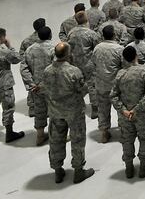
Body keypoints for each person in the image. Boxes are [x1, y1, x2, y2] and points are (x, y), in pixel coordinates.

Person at [43, 42, 95, 184]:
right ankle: (78, 171)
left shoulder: (47, 70)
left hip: (55, 111)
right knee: (77, 140)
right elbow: (83, 90)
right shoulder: (73, 71)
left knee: (56, 140)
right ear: (68, 54)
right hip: (74, 111)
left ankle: (58, 170)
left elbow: (45, 89)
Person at [110, 45, 145, 179]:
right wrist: (137, 109)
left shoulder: (120, 74)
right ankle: (143, 168)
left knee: (127, 140)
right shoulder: (144, 72)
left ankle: (129, 169)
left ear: (124, 58)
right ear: (136, 56)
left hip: (125, 116)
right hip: (142, 114)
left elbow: (113, 96)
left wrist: (124, 110)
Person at [0, 28, 26, 143]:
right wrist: (9, 46)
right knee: (8, 109)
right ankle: (9, 133)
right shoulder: (4, 52)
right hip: (4, 86)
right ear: (2, 38)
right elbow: (18, 58)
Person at [20, 26, 55, 145]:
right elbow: (58, 68)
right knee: (56, 111)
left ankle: (40, 136)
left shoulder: (29, 50)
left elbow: (24, 69)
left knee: (39, 111)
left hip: (36, 88)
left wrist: (31, 84)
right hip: (52, 87)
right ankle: (57, 136)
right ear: (50, 35)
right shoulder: (54, 48)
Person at [91, 25, 124, 143]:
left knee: (103, 109)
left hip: (101, 84)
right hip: (116, 85)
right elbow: (124, 66)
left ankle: (104, 133)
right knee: (120, 108)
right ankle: (123, 131)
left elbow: (93, 64)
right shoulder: (119, 49)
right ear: (114, 35)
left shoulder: (97, 48)